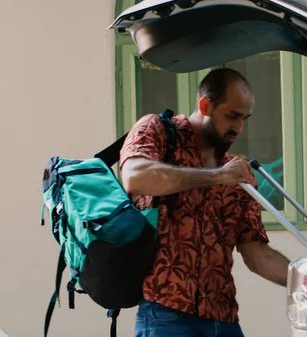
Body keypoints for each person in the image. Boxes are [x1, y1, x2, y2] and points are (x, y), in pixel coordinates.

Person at [119, 68, 291, 337]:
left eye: (245, 118)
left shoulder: (236, 174)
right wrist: (217, 176)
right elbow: (135, 177)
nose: (239, 127)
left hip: (224, 320)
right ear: (205, 105)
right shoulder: (159, 131)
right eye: (232, 116)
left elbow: (257, 255)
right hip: (166, 314)